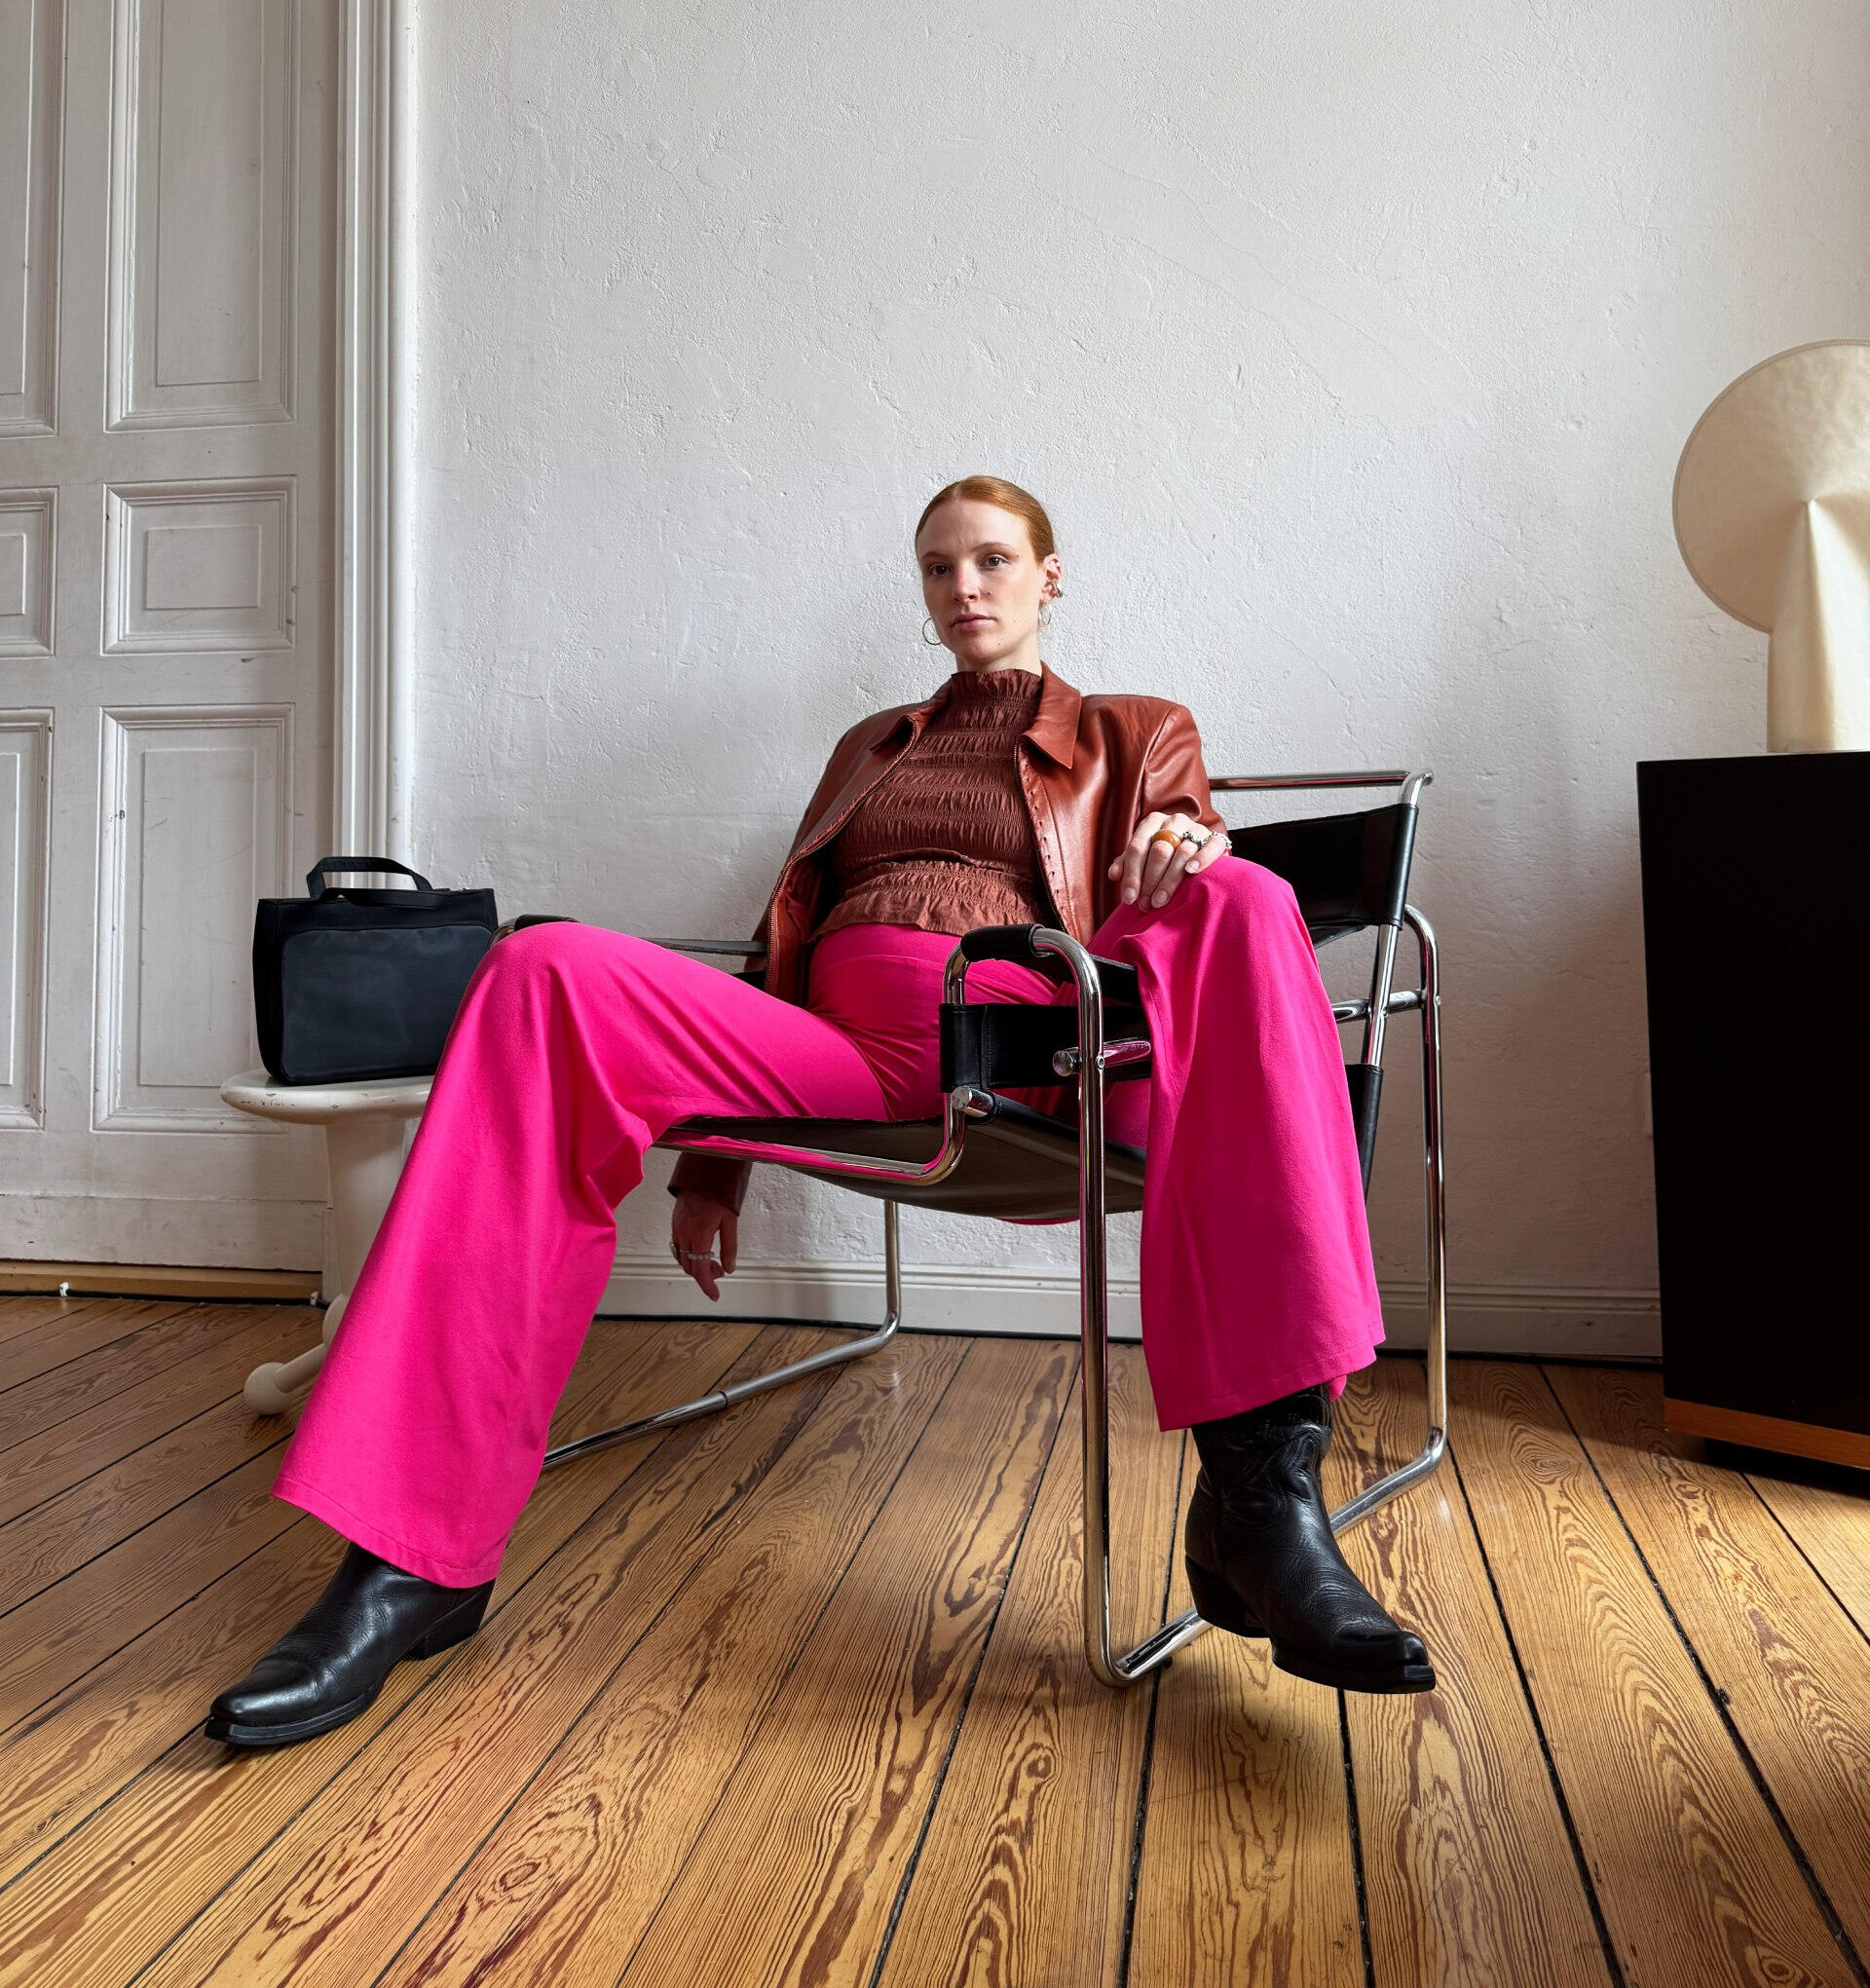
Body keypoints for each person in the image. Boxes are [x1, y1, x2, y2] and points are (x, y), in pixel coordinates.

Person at [206, 475, 1431, 1748]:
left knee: (1243, 897)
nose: (964, 588)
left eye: (993, 560)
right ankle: (411, 1556)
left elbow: (1177, 861)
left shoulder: (1136, 727)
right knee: (538, 967)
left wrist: (1191, 846)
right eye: (939, 567)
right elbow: (775, 942)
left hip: (1028, 1047)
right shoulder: (869, 748)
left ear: (1049, 575)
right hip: (842, 1046)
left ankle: (1261, 1503)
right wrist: (714, 1173)